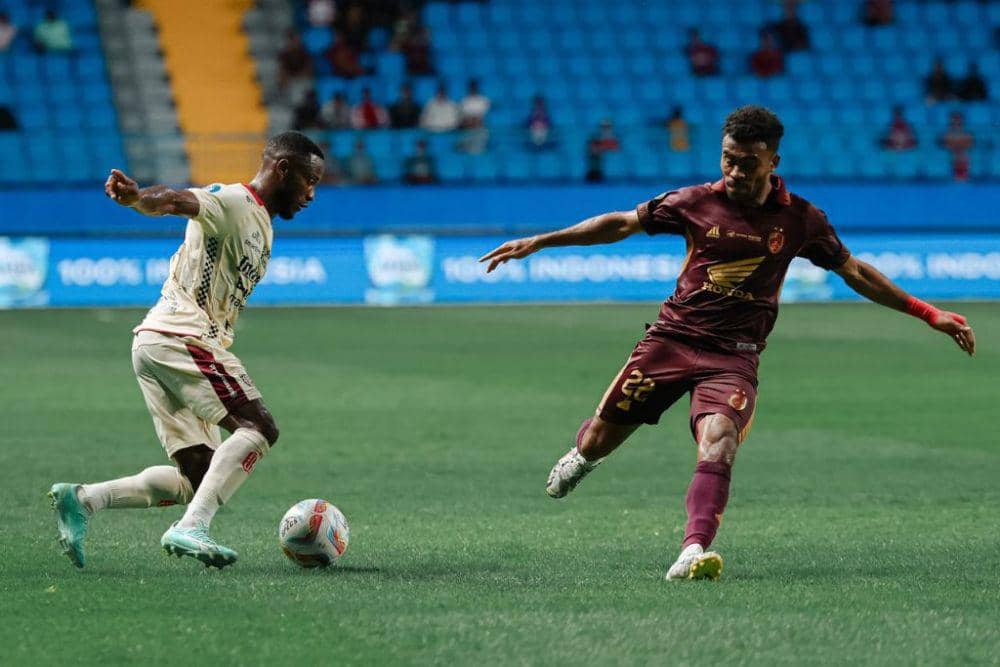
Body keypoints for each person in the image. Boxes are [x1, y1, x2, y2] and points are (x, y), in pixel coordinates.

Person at [479, 106, 975, 581]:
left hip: (733, 358)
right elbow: (622, 223)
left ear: (773, 162)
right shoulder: (694, 202)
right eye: (728, 159)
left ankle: (693, 548)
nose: (735, 171)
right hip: (670, 342)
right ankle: (583, 457)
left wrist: (927, 312)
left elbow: (855, 272)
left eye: (748, 162)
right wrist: (543, 241)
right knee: (599, 440)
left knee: (719, 442)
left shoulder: (801, 220)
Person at [49, 132, 326, 569]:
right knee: (258, 427)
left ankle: (84, 500)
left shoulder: (264, 226)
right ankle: (192, 528)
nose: (312, 193)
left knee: (198, 479)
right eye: (310, 180)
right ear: (283, 169)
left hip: (156, 344)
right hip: (183, 337)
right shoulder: (235, 202)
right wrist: (138, 198)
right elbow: (176, 200)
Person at [939, 111, 974, 182]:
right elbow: (944, 144)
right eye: (954, 121)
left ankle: (963, 176)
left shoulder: (967, 134)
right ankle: (955, 176)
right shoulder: (946, 134)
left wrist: (960, 147)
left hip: (962, 152)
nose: (956, 123)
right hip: (951, 153)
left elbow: (970, 144)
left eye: (958, 121)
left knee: (963, 155)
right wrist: (954, 148)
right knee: (956, 156)